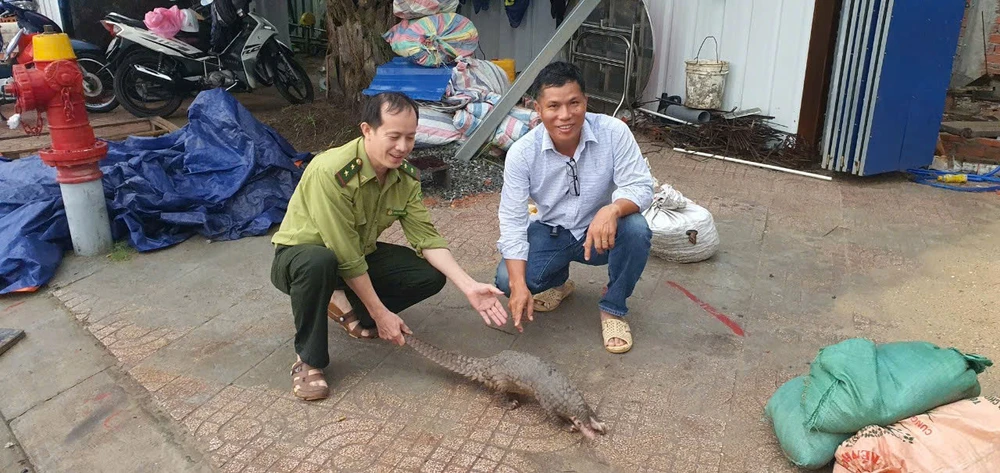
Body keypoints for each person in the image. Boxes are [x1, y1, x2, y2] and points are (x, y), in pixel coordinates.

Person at [270, 92, 508, 401]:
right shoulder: (331, 171)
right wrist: (382, 311)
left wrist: (467, 284)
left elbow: (426, 238)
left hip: (356, 256)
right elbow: (344, 253)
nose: (402, 147)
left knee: (428, 275)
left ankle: (346, 305)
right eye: (393, 136)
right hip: (301, 259)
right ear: (367, 130)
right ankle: (309, 360)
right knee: (321, 262)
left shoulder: (404, 177)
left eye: (410, 138)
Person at [494, 61, 654, 354]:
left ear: (586, 102)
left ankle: (613, 308)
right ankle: (557, 283)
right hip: (552, 232)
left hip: (602, 235)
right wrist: (518, 286)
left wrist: (612, 209)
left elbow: (642, 187)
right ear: (537, 109)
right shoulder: (521, 153)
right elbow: (513, 220)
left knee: (636, 228)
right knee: (506, 279)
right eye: (553, 106)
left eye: (574, 103)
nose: (565, 115)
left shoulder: (613, 132)